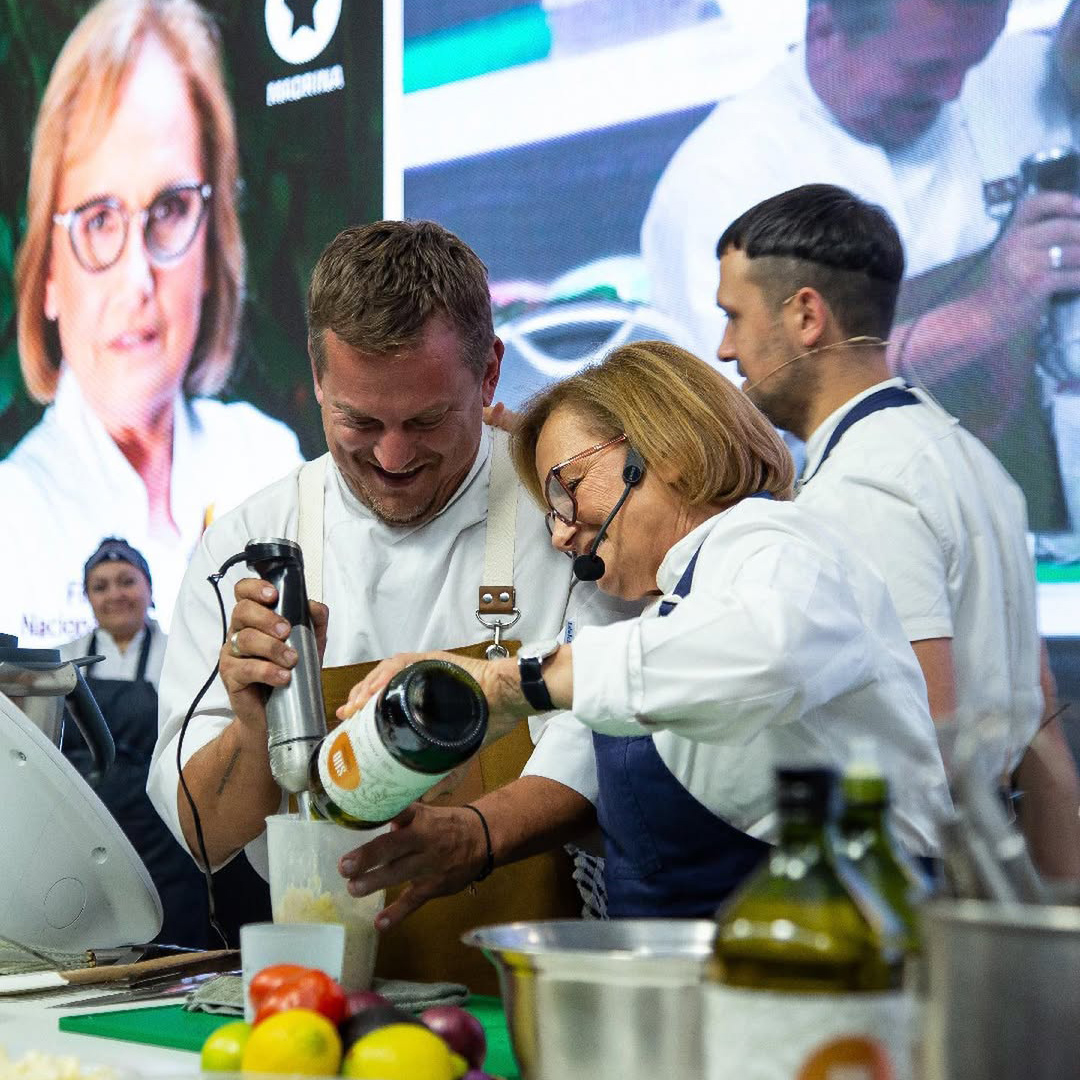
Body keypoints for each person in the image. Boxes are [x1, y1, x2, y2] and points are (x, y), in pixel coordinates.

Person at [148, 219, 637, 985]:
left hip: (544, 989)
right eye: (359, 421)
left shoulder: (567, 514)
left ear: (488, 375)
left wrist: (477, 834)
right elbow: (203, 837)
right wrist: (254, 728)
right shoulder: (249, 541)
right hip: (337, 996)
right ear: (315, 376)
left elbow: (629, 743)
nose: (393, 456)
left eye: (426, 420)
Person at [337, 340, 951, 919]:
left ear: (667, 448)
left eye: (568, 489)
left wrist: (509, 682)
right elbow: (590, 729)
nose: (560, 534)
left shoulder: (783, 545)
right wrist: (472, 829)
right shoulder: (672, 617)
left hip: (842, 978)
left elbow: (768, 654)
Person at [713, 182, 1080, 878]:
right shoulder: (971, 461)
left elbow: (924, 752)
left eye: (734, 316)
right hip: (976, 889)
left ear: (806, 316)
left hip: (908, 905)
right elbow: (1041, 724)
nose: (725, 349)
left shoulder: (863, 487)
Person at [640, 0, 1080, 532]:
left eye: (975, 59)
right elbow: (743, 443)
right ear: (824, 24)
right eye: (925, 69)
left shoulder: (1022, 74)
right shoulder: (726, 184)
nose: (955, 92)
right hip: (870, 548)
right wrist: (985, 316)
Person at [0, 0, 302, 647]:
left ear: (213, 242)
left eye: (167, 208)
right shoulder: (11, 522)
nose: (137, 276)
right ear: (48, 273)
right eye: (99, 219)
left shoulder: (270, 463)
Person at [61, 537, 209, 944]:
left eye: (126, 580)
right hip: (83, 831)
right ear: (88, 597)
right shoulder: (62, 660)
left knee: (172, 948)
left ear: (149, 588)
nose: (115, 594)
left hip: (163, 832)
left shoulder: (180, 654)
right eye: (101, 586)